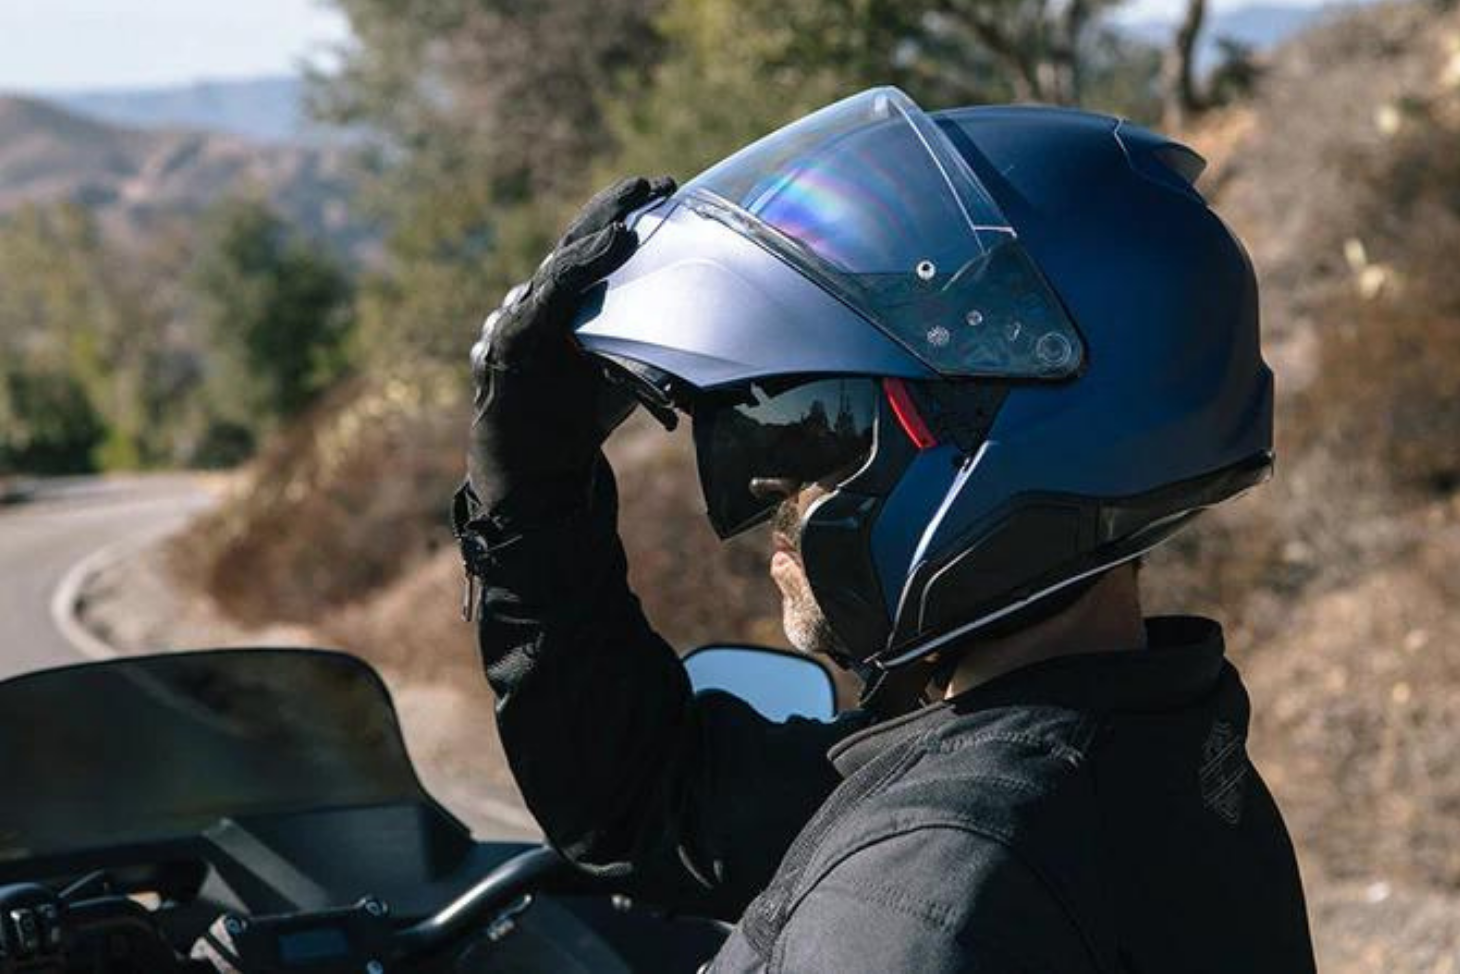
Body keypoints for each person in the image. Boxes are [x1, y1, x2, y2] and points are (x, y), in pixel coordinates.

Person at [453, 88, 1316, 972]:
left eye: (809, 431)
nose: (766, 486)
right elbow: (650, 803)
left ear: (996, 433)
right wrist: (531, 486)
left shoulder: (930, 896)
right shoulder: (1137, 752)